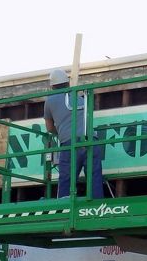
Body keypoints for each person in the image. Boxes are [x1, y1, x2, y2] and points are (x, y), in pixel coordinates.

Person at [44, 68, 104, 199]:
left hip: (70, 143)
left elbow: (49, 127)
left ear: (52, 85)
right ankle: (98, 206)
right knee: (94, 177)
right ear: (68, 83)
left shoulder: (49, 101)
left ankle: (64, 209)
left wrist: (60, 132)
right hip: (91, 140)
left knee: (67, 179)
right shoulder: (79, 97)